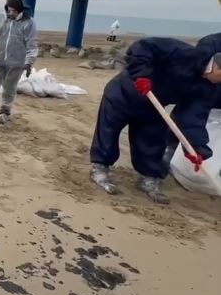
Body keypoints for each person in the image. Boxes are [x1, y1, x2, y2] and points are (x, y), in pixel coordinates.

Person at [90, 34, 221, 204]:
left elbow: (193, 117)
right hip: (123, 94)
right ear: (218, 68)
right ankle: (100, 168)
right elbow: (143, 47)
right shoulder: (184, 53)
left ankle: (148, 177)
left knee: (151, 141)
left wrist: (197, 148)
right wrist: (142, 74)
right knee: (108, 131)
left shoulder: (207, 88)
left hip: (155, 105)